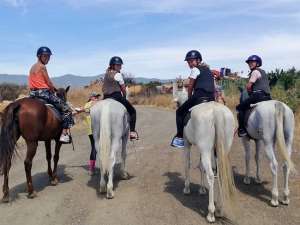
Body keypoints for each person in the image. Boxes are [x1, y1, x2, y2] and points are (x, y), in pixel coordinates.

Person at [28, 46, 74, 143]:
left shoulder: (32, 67)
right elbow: (48, 82)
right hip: (43, 93)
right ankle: (64, 135)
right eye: (45, 56)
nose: (47, 58)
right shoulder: (42, 67)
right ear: (39, 56)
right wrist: (53, 90)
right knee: (67, 109)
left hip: (32, 94)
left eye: (48, 57)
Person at [171, 50, 215, 148]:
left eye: (191, 61)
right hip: (211, 97)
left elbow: (190, 86)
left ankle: (179, 137)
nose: (189, 63)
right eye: (188, 62)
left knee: (179, 112)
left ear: (198, 60)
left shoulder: (195, 70)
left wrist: (190, 97)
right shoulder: (208, 70)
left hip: (199, 96)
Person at [102, 56, 139, 140]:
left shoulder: (106, 74)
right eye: (118, 65)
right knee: (133, 111)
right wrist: (124, 97)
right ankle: (132, 132)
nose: (120, 67)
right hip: (116, 97)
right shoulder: (118, 74)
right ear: (113, 65)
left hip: (105, 97)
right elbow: (123, 88)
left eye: (120, 65)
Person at [236, 55, 272, 137]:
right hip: (268, 97)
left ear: (258, 63)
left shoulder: (255, 72)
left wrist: (249, 91)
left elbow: (249, 86)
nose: (250, 64)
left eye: (252, 62)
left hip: (257, 96)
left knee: (239, 108)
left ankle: (242, 129)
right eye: (249, 63)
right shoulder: (263, 72)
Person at [84, 92, 100, 175]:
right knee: (94, 148)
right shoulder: (88, 104)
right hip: (92, 130)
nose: (97, 98)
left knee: (95, 148)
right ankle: (91, 168)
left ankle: (91, 169)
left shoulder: (99, 103)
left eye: (97, 97)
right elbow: (87, 110)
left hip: (97, 130)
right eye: (95, 97)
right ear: (91, 97)